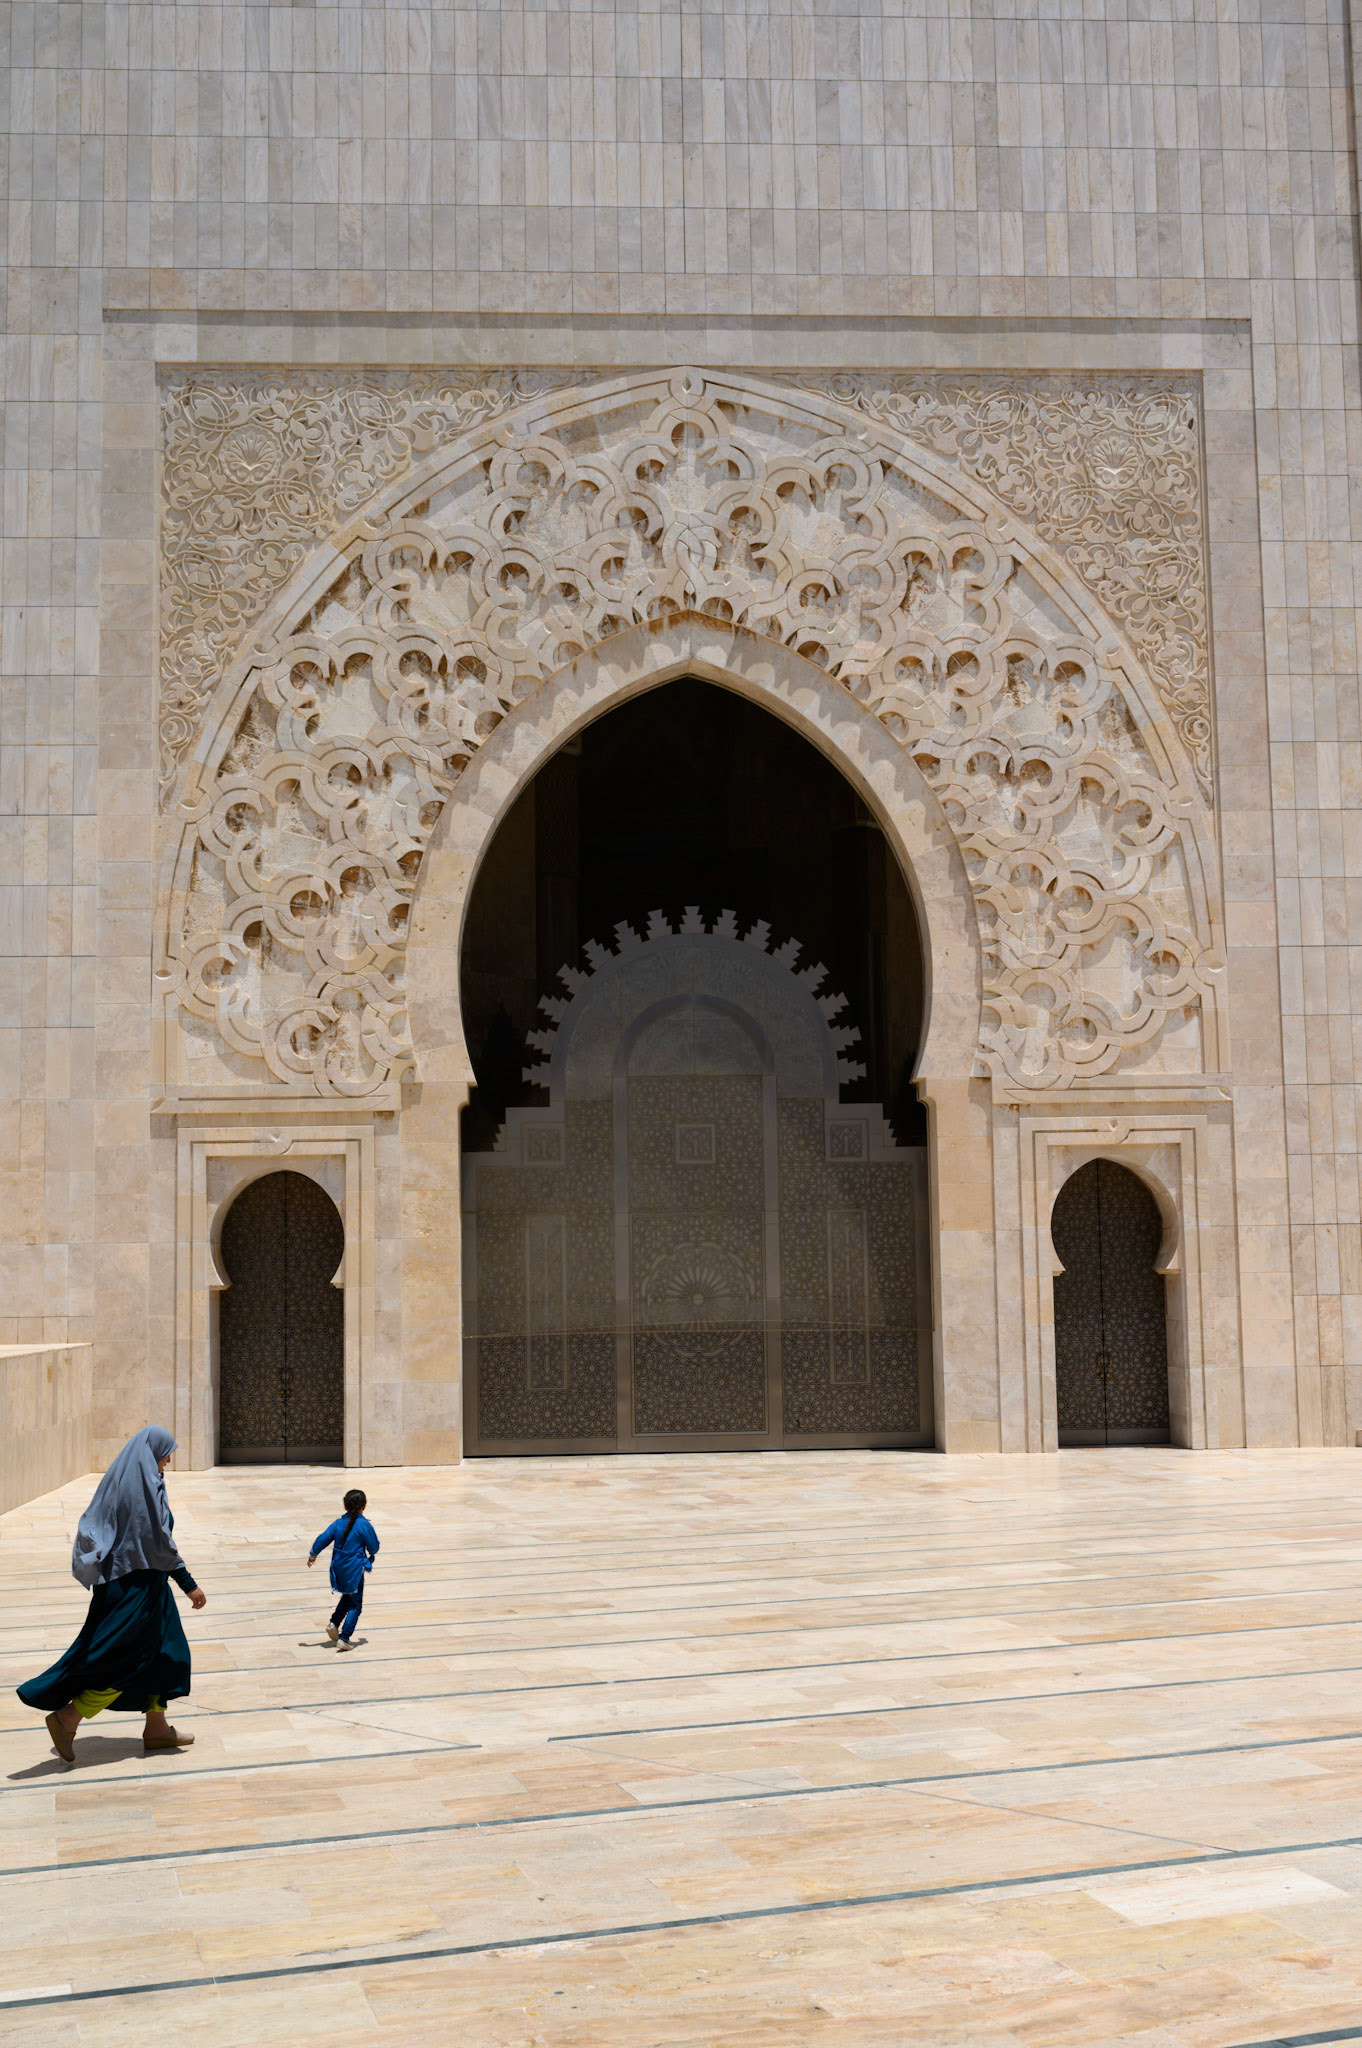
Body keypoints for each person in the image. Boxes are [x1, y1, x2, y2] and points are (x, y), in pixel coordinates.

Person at [17, 1425, 206, 1762]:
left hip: (141, 1588)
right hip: (135, 1590)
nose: (168, 1460)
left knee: (167, 1653)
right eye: (165, 1453)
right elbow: (158, 1545)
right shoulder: (142, 1490)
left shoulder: (127, 1482)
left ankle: (157, 1728)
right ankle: (67, 1717)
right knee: (128, 1661)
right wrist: (188, 1584)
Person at [307, 1488, 379, 1647]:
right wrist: (371, 1552)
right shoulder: (364, 1525)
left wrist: (313, 1554)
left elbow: (323, 1538)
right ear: (364, 1506)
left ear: (345, 1506)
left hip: (338, 1567)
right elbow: (374, 1547)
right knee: (356, 1604)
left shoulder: (337, 1524)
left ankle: (334, 1623)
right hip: (354, 1569)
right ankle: (344, 1638)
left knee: (348, 1595)